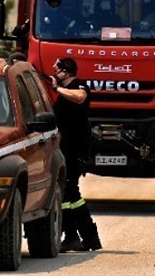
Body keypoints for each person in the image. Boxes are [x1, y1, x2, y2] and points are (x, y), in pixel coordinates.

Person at [50, 57, 102, 252]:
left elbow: (80, 97)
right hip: (64, 150)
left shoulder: (80, 86)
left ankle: (89, 238)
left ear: (65, 71)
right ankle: (72, 236)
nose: (54, 71)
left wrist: (57, 89)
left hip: (75, 151)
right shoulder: (64, 94)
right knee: (67, 195)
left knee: (71, 193)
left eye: (57, 68)